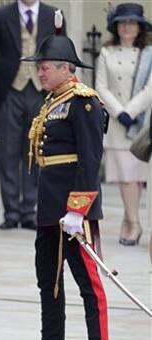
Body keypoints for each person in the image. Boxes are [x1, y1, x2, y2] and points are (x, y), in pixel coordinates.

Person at [13, 31, 112, 340]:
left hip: (73, 211)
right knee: (48, 282)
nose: (39, 73)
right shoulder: (53, 101)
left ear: (66, 69)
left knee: (89, 286)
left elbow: (90, 158)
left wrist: (78, 209)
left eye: (45, 67)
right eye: (39, 67)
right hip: (49, 208)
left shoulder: (82, 101)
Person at [0, 1, 66, 230]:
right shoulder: (0, 15)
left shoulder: (53, 15)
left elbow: (61, 51)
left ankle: (30, 210)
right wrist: (6, 74)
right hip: (10, 91)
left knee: (36, 151)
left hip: (40, 92)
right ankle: (11, 211)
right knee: (7, 152)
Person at [96, 2, 152, 246]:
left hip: (139, 121)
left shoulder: (148, 53)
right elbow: (100, 87)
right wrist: (119, 112)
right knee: (124, 176)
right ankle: (132, 221)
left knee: (135, 176)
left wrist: (131, 111)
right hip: (117, 123)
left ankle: (132, 222)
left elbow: (151, 88)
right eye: (123, 23)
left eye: (132, 23)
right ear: (116, 27)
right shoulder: (106, 53)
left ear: (139, 27)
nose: (127, 27)